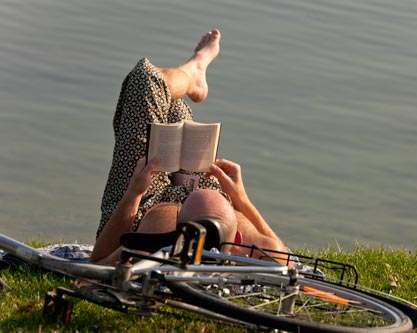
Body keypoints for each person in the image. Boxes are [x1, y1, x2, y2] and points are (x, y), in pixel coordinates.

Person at [91, 29, 287, 265]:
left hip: (145, 201)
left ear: (177, 227)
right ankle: (194, 75)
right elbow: (291, 262)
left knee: (146, 81)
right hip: (204, 189)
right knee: (176, 112)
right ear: (236, 237)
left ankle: (194, 71)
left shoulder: (153, 245)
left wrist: (133, 193)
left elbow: (98, 263)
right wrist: (238, 197)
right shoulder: (259, 251)